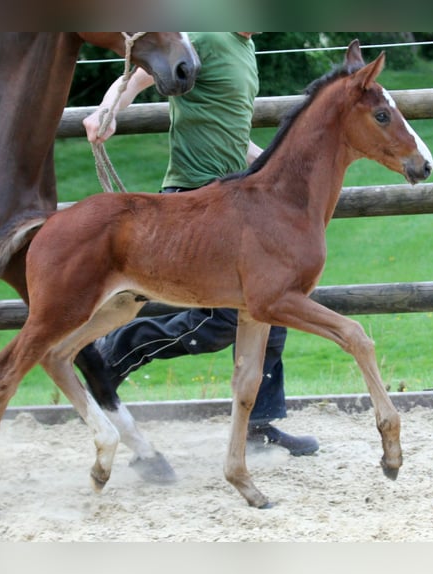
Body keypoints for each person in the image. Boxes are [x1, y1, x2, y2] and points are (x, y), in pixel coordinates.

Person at [80, 32, 319, 456]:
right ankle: (112, 356)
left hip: (234, 200)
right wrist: (106, 112)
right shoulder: (205, 38)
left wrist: (279, 170)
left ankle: (259, 423)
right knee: (220, 323)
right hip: (191, 199)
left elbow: (230, 132)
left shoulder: (246, 50)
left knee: (273, 308)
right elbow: (134, 78)